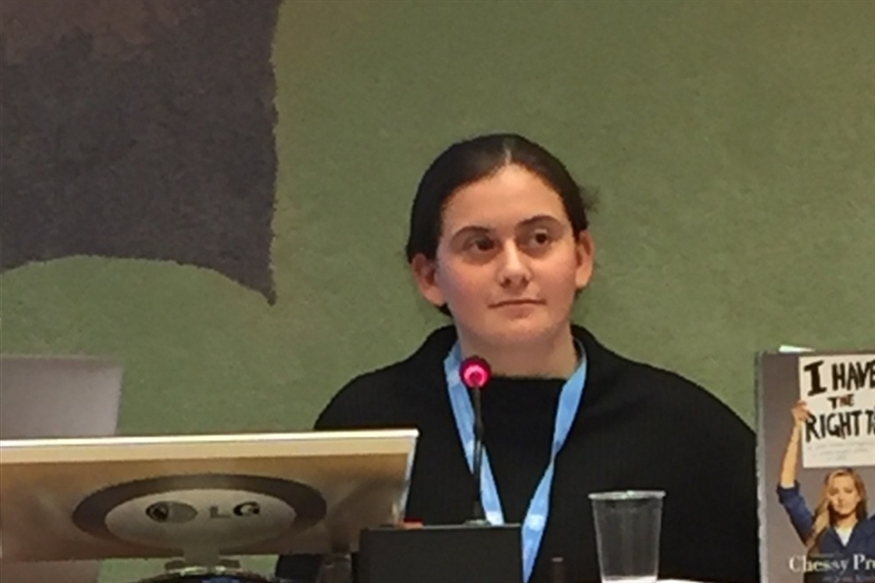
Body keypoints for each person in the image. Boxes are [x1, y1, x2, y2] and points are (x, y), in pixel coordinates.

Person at [277, 133, 760, 583]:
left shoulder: (683, 431)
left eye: (539, 239)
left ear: (582, 257)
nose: (514, 269)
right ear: (429, 276)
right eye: (481, 245)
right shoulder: (368, 428)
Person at [778, 400, 875, 583]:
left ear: (859, 496)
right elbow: (787, 489)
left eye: (848, 491)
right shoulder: (816, 532)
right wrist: (797, 429)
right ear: (827, 497)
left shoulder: (871, 531)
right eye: (834, 492)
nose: (841, 498)